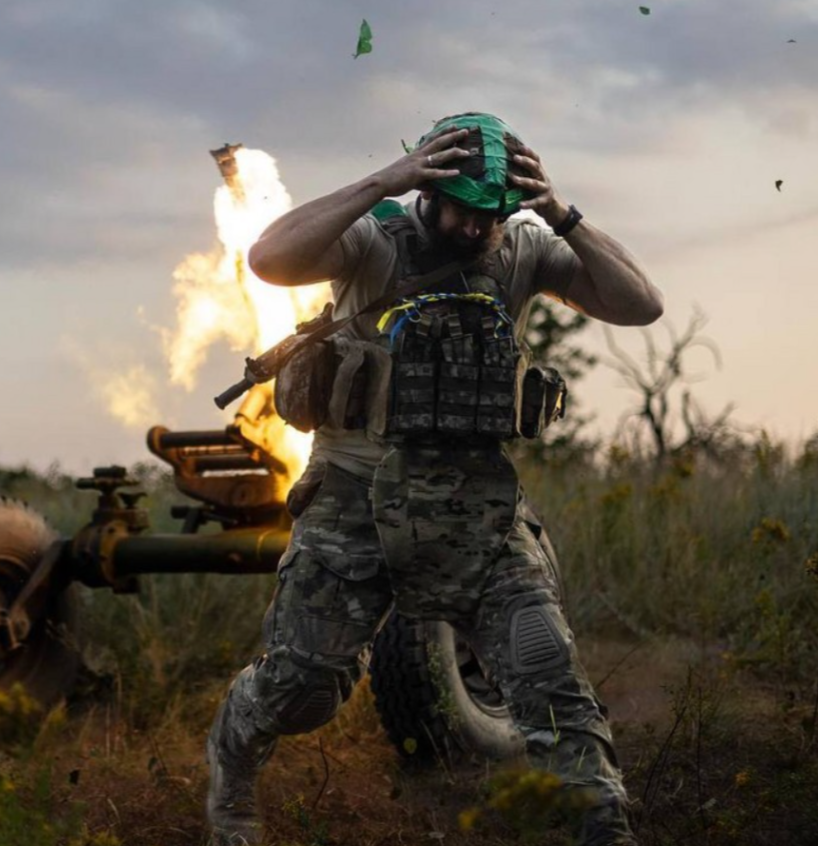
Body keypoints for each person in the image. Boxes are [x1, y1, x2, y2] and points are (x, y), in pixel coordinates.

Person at [205, 112, 663, 846]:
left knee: (548, 679)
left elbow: (641, 304)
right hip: (353, 497)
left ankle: (603, 826)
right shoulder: (373, 239)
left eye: (493, 213)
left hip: (476, 508)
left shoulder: (524, 247)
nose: (477, 227)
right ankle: (232, 764)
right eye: (463, 210)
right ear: (428, 188)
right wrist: (383, 180)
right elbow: (269, 259)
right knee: (302, 690)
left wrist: (558, 212)